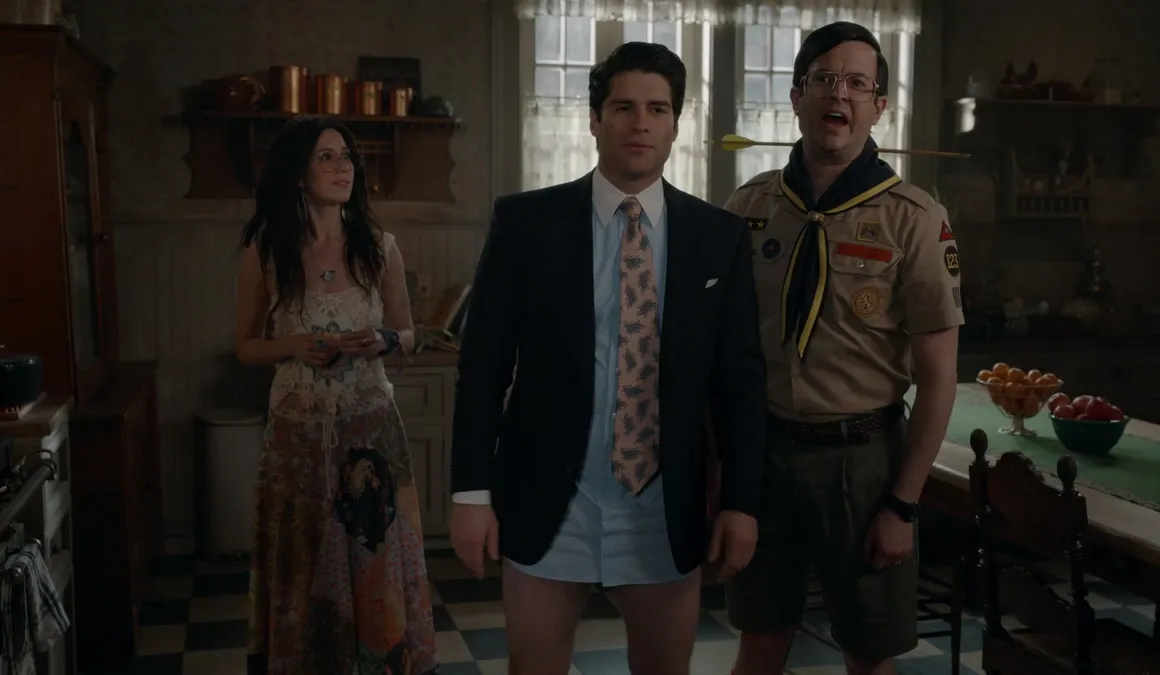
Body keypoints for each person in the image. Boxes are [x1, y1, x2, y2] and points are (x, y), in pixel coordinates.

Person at [448, 41, 767, 675]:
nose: (640, 123)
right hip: (549, 495)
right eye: (623, 107)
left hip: (662, 505)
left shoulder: (718, 236)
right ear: (594, 119)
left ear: (676, 124)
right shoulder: (526, 223)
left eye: (657, 109)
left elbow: (739, 384)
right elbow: (482, 369)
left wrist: (742, 501)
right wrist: (470, 494)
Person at [722, 22, 964, 675]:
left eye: (858, 83)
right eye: (825, 79)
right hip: (765, 455)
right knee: (759, 638)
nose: (840, 94)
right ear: (797, 96)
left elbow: (939, 377)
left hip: (864, 464)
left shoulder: (914, 218)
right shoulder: (749, 206)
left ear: (878, 106)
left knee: (869, 653)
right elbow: (721, 350)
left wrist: (902, 503)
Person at [234, 116, 435, 675]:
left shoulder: (380, 248)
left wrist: (383, 340)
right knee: (302, 561)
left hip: (369, 432)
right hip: (297, 436)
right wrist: (294, 345)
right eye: (326, 156)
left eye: (346, 156)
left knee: (373, 559)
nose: (342, 166)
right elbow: (246, 346)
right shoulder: (267, 250)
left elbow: (408, 334)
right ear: (298, 174)